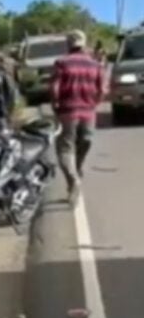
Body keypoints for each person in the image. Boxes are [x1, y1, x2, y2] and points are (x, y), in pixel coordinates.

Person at [50, 30, 106, 202]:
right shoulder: (95, 64)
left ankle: (73, 178)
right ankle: (77, 170)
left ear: (68, 44)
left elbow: (55, 87)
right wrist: (94, 104)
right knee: (86, 141)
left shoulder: (61, 62)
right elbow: (102, 90)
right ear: (84, 43)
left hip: (68, 111)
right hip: (88, 111)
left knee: (65, 148)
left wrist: (55, 105)